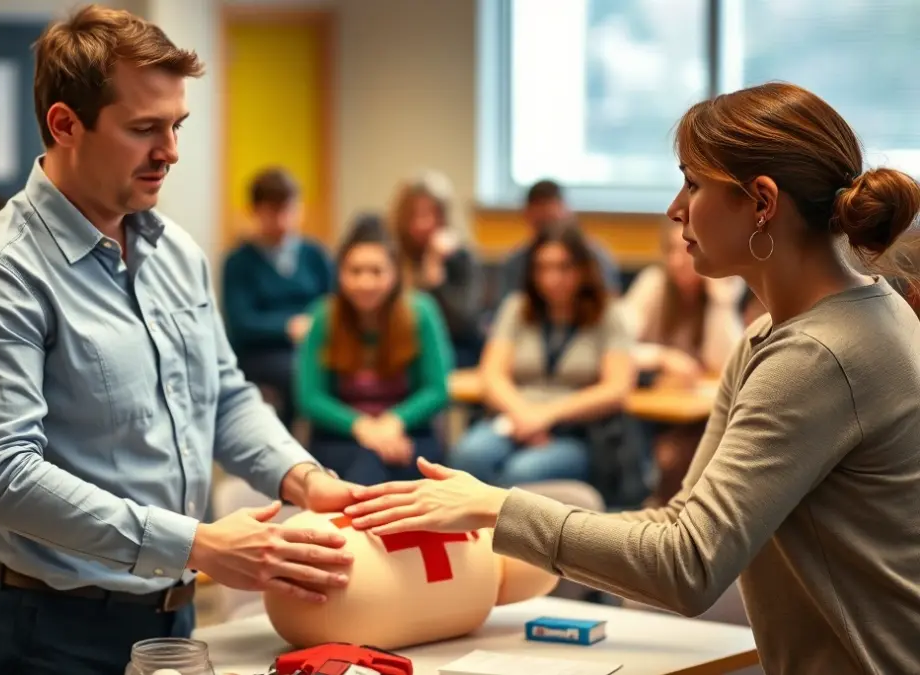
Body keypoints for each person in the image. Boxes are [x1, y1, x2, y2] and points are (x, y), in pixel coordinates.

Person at [343, 82, 920, 674]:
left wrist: (496, 508)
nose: (675, 209)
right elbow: (678, 522)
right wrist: (494, 530)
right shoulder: (806, 327)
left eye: (693, 185)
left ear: (763, 203)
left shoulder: (817, 356)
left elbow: (687, 567)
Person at [0, 7, 359, 673]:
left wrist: (304, 478)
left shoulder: (174, 249)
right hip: (51, 635)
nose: (171, 151)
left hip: (173, 616)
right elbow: (5, 478)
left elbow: (224, 396)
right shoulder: (0, 272)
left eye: (177, 126)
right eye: (143, 129)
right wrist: (197, 543)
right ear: (65, 124)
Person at [448, 225, 635, 487]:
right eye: (542, 268)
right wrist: (525, 415)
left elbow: (617, 388)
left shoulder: (608, 313)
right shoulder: (517, 308)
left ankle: (503, 527)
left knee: (522, 474)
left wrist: (547, 415)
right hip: (513, 419)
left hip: (575, 432)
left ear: (582, 269)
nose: (551, 278)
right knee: (468, 455)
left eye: (563, 267)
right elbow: (491, 375)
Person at [295, 213, 453, 486]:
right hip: (340, 438)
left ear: (394, 273)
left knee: (379, 464)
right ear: (340, 273)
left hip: (408, 435)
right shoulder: (324, 316)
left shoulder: (421, 312)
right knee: (368, 462)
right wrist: (362, 427)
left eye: (376, 272)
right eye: (355, 272)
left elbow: (437, 390)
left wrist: (392, 422)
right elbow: (309, 397)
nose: (365, 283)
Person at [622, 219, 744, 504]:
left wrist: (718, 297)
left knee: (694, 451)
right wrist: (664, 357)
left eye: (686, 250)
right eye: (670, 251)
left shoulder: (719, 293)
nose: (677, 261)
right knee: (669, 457)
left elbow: (728, 361)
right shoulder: (653, 284)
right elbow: (616, 346)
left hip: (698, 413)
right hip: (649, 413)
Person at [221, 167, 333, 427]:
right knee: (298, 373)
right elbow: (241, 322)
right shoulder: (238, 262)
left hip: (314, 346)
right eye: (273, 212)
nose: (283, 221)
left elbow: (333, 302)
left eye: (289, 210)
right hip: (262, 354)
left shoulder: (315, 255)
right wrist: (288, 327)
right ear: (255, 211)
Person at [390, 170, 484, 368]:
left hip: (453, 351)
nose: (421, 224)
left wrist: (435, 272)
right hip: (400, 349)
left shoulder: (461, 258)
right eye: (413, 215)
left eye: (429, 214)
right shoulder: (391, 256)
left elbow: (463, 324)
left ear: (444, 216)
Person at [499, 180, 622, 293]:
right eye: (541, 223)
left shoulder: (594, 257)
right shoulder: (517, 262)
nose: (551, 281)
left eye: (564, 267)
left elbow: (609, 301)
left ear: (567, 212)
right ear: (527, 215)